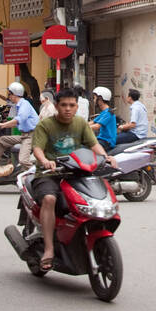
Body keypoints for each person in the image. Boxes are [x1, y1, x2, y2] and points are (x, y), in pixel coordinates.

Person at [31, 88, 117, 270]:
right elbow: (37, 148)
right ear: (56, 106)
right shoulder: (45, 125)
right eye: (64, 105)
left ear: (77, 106)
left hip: (76, 173)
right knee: (49, 199)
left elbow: (94, 144)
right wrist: (45, 161)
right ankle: (49, 248)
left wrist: (106, 157)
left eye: (72, 105)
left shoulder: (80, 124)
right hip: (50, 174)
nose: (68, 109)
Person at [0, 81, 39, 178]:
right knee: (2, 140)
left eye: (9, 94)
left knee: (23, 160)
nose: (8, 96)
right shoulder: (19, 105)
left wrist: (3, 125)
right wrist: (1, 124)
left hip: (32, 136)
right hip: (24, 135)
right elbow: (16, 122)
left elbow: (19, 120)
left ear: (14, 94)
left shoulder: (24, 104)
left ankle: (38, 174)